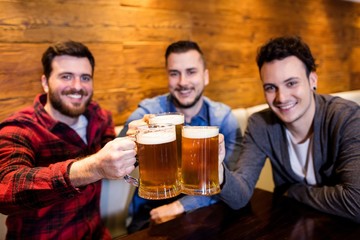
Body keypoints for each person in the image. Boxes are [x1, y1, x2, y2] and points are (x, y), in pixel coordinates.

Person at [0, 41, 137, 239]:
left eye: (85, 78)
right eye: (66, 76)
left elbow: (111, 158)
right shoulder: (20, 128)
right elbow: (6, 189)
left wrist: (132, 138)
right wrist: (93, 167)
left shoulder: (100, 117)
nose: (77, 86)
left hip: (96, 233)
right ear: (45, 82)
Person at [218, 35, 360, 223]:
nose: (281, 97)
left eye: (291, 83)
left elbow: (356, 202)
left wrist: (295, 191)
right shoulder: (260, 124)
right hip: (291, 225)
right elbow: (240, 197)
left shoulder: (346, 118)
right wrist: (218, 173)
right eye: (270, 87)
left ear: (312, 80)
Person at [119, 40, 242, 232]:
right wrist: (127, 145)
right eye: (174, 73)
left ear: (206, 76)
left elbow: (232, 181)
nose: (183, 82)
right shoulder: (149, 112)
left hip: (205, 210)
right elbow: (114, 156)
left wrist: (182, 206)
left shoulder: (222, 117)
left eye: (191, 72)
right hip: (151, 211)